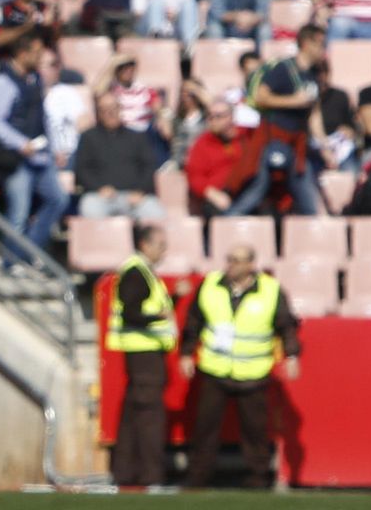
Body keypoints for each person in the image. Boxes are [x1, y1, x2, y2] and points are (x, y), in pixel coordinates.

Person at [179, 245, 301, 488]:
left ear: (251, 264)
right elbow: (194, 321)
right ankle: (197, 478)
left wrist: (292, 355)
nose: (231, 265)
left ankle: (258, 479)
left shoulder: (271, 289)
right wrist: (186, 353)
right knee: (204, 429)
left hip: (253, 372)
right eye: (230, 259)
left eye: (238, 260)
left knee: (255, 431)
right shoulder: (210, 284)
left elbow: (286, 325)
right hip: (215, 369)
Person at [0, 30, 71, 260]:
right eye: (35, 53)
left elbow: (42, 117)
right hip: (15, 159)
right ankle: (11, 263)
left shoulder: (35, 78)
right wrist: (20, 143)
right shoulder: (3, 81)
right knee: (19, 212)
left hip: (40, 156)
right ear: (21, 53)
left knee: (58, 199)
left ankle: (27, 254)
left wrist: (55, 148)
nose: (40, 58)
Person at [225, 24, 328, 216]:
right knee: (257, 189)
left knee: (307, 200)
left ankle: (312, 228)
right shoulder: (284, 69)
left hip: (298, 144)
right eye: (320, 44)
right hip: (275, 138)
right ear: (307, 43)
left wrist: (325, 146)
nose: (324, 49)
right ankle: (227, 221)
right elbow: (261, 96)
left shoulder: (313, 75)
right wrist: (293, 101)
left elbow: (314, 114)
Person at [107, 225, 176, 487]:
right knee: (149, 416)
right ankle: (151, 474)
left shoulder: (139, 270)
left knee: (133, 414)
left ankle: (126, 473)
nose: (164, 251)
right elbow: (131, 313)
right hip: (144, 353)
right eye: (160, 245)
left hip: (142, 352)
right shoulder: (136, 272)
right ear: (145, 245)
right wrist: (158, 317)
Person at [75, 93, 169, 219]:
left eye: (114, 108)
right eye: (105, 109)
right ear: (98, 113)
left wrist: (140, 191)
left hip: (135, 197)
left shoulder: (137, 137)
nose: (110, 113)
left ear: (120, 109)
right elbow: (82, 169)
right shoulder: (88, 138)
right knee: (90, 209)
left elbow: (148, 167)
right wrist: (98, 188)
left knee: (155, 215)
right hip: (100, 196)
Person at [186, 97, 248, 215]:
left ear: (231, 116)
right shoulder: (202, 143)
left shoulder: (246, 137)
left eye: (218, 116)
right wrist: (211, 193)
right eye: (210, 116)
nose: (213, 120)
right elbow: (195, 177)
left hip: (245, 191)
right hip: (218, 195)